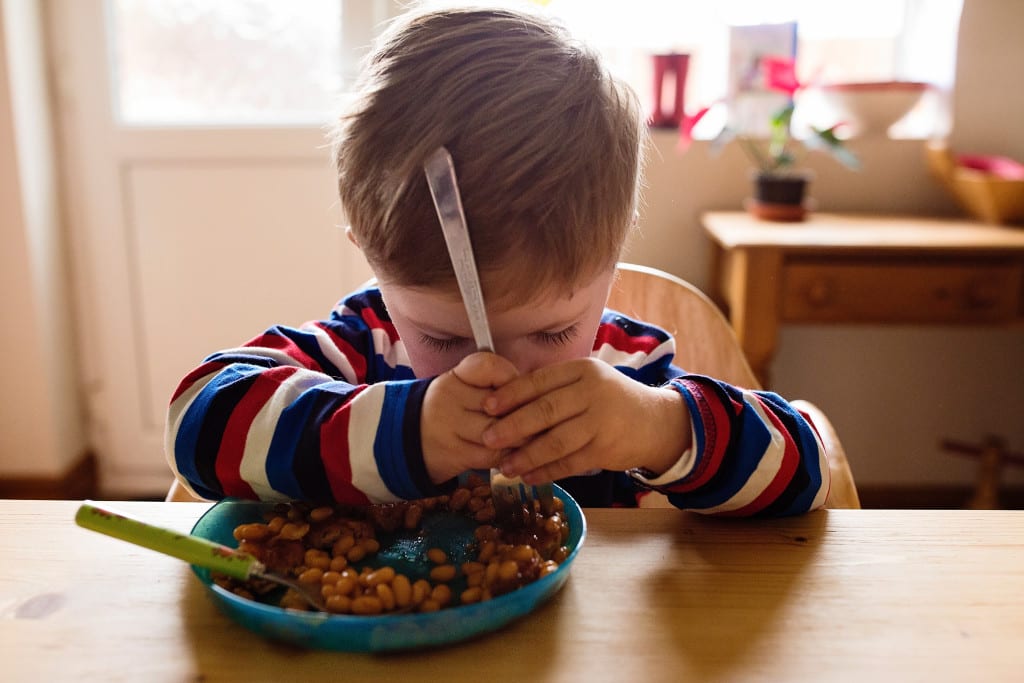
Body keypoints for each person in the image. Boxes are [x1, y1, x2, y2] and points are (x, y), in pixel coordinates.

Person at [166, 6, 829, 516]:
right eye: (443, 336)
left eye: (551, 332)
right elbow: (199, 418)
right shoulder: (360, 351)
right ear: (371, 259)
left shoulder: (628, 373)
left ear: (611, 257)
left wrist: (660, 430)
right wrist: (411, 429)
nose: (499, 371)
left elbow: (806, 471)